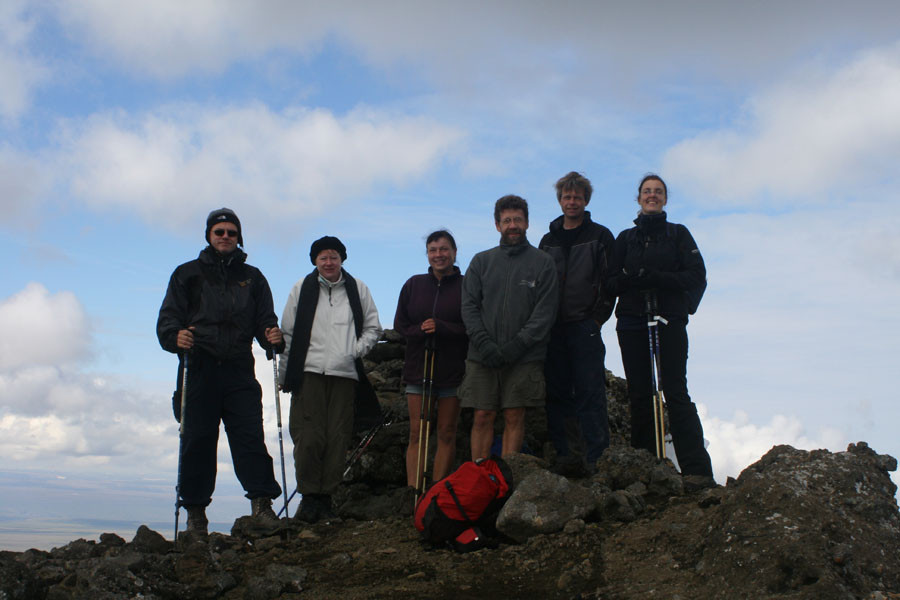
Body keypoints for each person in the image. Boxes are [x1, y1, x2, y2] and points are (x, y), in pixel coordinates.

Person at [157, 207, 284, 535]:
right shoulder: (187, 274)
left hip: (239, 368)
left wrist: (271, 336)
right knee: (197, 440)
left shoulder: (253, 278)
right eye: (219, 232)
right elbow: (168, 319)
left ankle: (262, 505)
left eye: (231, 232)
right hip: (199, 366)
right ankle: (195, 514)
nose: (225, 236)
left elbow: (264, 320)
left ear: (239, 237)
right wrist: (175, 336)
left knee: (249, 437)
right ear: (209, 236)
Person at [609, 174, 714, 488]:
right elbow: (609, 280)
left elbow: (697, 275)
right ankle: (643, 469)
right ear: (639, 198)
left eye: (657, 191)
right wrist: (633, 280)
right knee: (640, 393)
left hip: (669, 320)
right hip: (632, 321)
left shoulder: (678, 234)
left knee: (675, 390)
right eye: (647, 191)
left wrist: (658, 278)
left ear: (665, 199)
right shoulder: (625, 239)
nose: (652, 195)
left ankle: (697, 470)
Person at [278, 236, 382, 523]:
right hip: (308, 373)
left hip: (344, 374)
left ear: (341, 259)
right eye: (323, 257)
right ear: (315, 261)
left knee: (337, 438)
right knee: (308, 438)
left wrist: (354, 351)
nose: (328, 262)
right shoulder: (301, 288)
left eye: (333, 256)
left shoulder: (357, 289)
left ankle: (325, 500)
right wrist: (285, 375)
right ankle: (309, 497)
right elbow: (287, 333)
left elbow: (373, 327)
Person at [460, 195, 558, 459]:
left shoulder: (543, 263)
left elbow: (545, 312)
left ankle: (507, 478)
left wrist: (517, 346)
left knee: (515, 415)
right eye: (506, 221)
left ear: (527, 223)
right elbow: (468, 307)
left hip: (524, 357)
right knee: (482, 415)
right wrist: (485, 345)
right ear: (497, 225)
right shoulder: (481, 262)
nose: (512, 225)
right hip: (482, 356)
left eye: (517, 220)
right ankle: (479, 476)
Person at [539, 171, 616, 476]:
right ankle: (566, 457)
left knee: (590, 393)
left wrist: (597, 319)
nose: (572, 201)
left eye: (577, 197)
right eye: (567, 196)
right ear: (560, 200)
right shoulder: (548, 241)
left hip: (585, 326)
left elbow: (610, 282)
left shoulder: (600, 236)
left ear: (586, 201)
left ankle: (597, 460)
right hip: (553, 329)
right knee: (557, 394)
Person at [394, 230, 468, 488]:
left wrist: (442, 327)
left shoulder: (467, 285)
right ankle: (414, 493)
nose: (439, 255)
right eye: (433, 250)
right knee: (417, 433)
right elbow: (401, 325)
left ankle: (436, 494)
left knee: (447, 432)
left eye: (444, 249)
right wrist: (421, 330)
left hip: (452, 370)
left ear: (454, 253)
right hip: (418, 369)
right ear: (427, 254)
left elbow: (472, 326)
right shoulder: (413, 285)